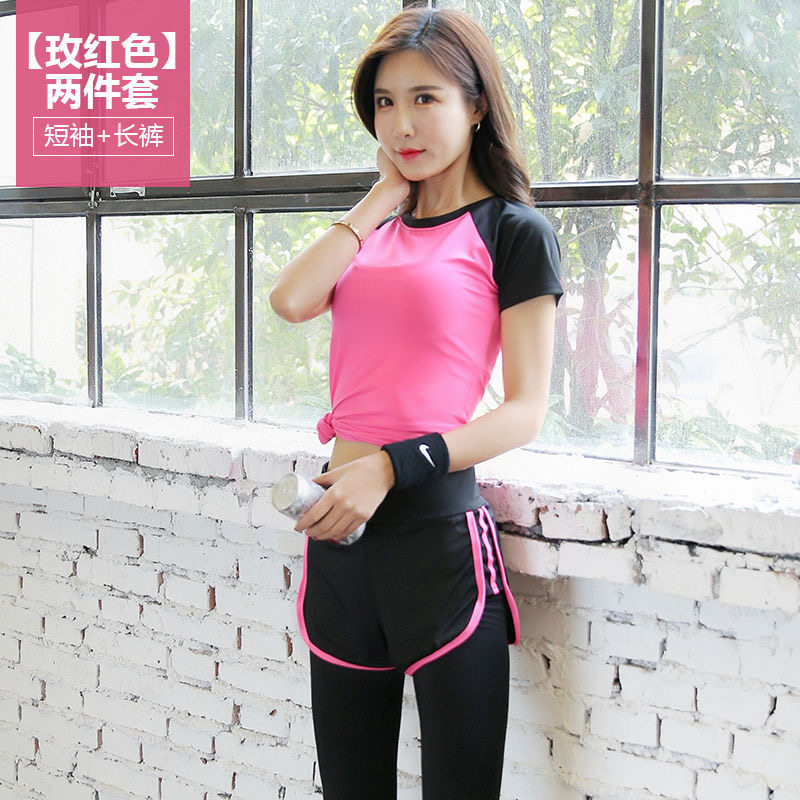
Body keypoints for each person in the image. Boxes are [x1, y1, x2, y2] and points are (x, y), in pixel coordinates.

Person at [269, 7, 562, 799]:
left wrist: (392, 468)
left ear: (476, 104)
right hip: (341, 542)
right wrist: (379, 199)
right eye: (385, 102)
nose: (402, 123)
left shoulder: (514, 232)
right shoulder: (374, 232)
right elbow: (291, 300)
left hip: (438, 544)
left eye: (426, 98)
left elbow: (525, 411)